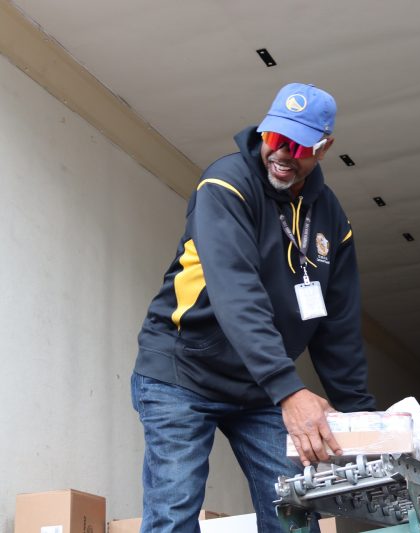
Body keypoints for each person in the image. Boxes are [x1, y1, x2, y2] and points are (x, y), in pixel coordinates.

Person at [131, 82, 376, 533]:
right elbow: (236, 294)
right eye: (274, 138)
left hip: (259, 388)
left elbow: (337, 327)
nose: (281, 153)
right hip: (183, 372)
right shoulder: (225, 185)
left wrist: (365, 420)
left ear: (324, 148)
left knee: (294, 518)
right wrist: (289, 391)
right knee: (174, 514)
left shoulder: (332, 219)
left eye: (297, 146)